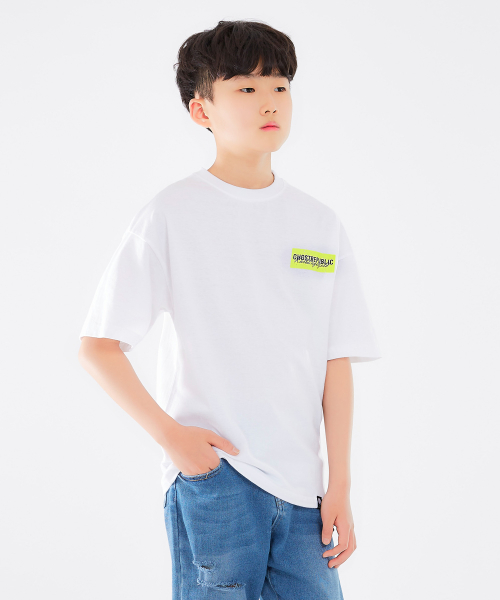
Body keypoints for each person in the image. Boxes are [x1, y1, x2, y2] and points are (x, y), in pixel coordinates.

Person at [78, 19, 382, 600]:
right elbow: (98, 346)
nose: (270, 102)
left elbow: (335, 360)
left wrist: (339, 483)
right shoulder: (171, 214)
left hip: (304, 491)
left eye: (280, 86)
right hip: (217, 478)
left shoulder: (319, 224)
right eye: (246, 87)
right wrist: (175, 441)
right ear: (202, 111)